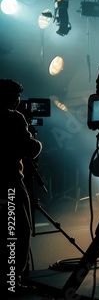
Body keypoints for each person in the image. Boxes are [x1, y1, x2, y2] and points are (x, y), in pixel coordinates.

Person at [0, 79, 42, 295]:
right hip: (9, 184)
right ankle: (11, 282)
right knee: (17, 232)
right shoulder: (13, 118)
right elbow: (29, 148)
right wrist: (36, 141)